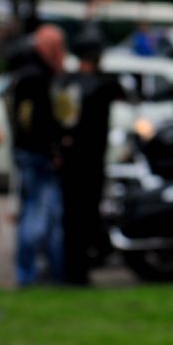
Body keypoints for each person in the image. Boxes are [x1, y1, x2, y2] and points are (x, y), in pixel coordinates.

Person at [58, 26, 128, 285]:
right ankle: (81, 269)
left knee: (71, 217)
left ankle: (70, 268)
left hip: (70, 160)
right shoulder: (103, 84)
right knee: (86, 216)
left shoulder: (66, 82)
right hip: (91, 160)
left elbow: (63, 122)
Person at [9, 23, 67, 286]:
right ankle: (29, 273)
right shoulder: (36, 77)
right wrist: (52, 147)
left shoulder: (25, 73)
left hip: (29, 152)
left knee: (42, 213)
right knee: (38, 214)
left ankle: (46, 271)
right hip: (37, 154)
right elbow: (36, 122)